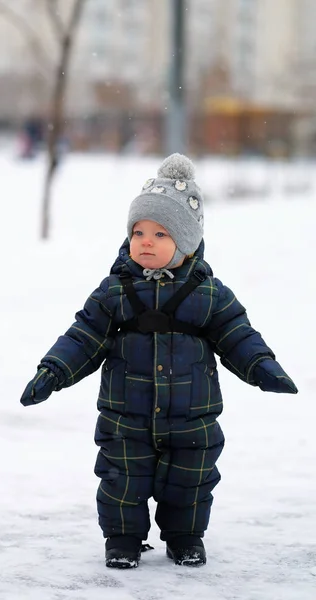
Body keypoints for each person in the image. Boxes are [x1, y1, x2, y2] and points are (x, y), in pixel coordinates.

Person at [20, 153, 298, 569]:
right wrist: (53, 371)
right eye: (138, 232)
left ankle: (186, 536)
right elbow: (84, 336)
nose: (145, 241)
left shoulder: (209, 295)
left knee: (191, 479)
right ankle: (123, 539)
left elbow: (237, 334)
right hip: (124, 416)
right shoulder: (114, 292)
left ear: (185, 243)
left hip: (193, 417)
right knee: (121, 480)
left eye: (160, 233)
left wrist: (261, 366)